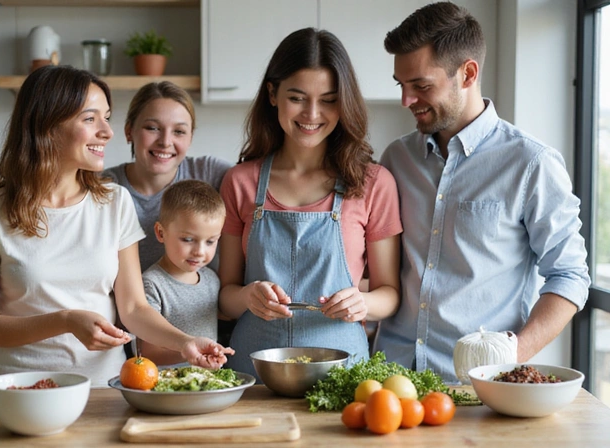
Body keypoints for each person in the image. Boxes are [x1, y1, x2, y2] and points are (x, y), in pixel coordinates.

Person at [0, 65, 232, 388]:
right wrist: (66, 320)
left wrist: (184, 342)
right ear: (46, 125)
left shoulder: (114, 202)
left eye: (107, 117)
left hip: (105, 390)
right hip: (20, 389)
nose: (108, 132)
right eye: (90, 119)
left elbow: (133, 308)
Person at [375, 2, 591, 383]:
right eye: (402, 86)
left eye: (421, 86)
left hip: (478, 389)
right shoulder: (396, 158)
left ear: (468, 73)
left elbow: (569, 275)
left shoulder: (530, 163)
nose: (406, 100)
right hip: (389, 381)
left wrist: (509, 360)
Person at [218, 27, 403, 378]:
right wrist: (247, 297)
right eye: (298, 97)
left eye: (329, 99)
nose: (312, 113)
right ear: (273, 94)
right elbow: (225, 297)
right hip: (254, 369)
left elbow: (390, 294)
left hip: (342, 369)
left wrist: (362, 303)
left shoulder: (373, 183)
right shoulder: (240, 182)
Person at [101, 81, 232, 272]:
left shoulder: (210, 174)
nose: (165, 142)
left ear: (190, 138)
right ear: (129, 131)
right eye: (152, 128)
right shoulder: (104, 187)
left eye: (179, 131)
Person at [138, 180, 226, 366]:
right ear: (161, 233)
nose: (200, 252)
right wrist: (191, 353)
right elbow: (148, 353)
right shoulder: (151, 284)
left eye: (210, 242)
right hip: (166, 388)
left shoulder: (211, 280)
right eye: (188, 239)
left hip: (207, 385)